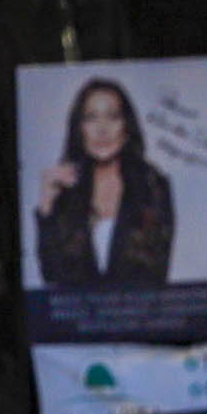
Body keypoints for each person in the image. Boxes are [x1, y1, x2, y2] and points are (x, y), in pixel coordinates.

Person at [35, 79, 175, 290]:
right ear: (79, 129)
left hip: (138, 317)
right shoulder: (65, 190)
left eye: (113, 116)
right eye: (91, 118)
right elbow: (52, 278)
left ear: (126, 127)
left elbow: (154, 274)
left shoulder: (153, 186)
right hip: (80, 319)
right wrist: (46, 210)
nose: (102, 129)